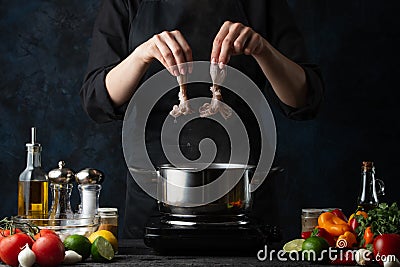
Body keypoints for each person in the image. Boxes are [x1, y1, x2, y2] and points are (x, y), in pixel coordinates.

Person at [80, 0, 324, 238]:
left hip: (244, 202)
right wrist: (141, 55)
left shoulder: (262, 5)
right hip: (154, 203)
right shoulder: (125, 3)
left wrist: (263, 49)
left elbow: (303, 100)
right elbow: (97, 101)